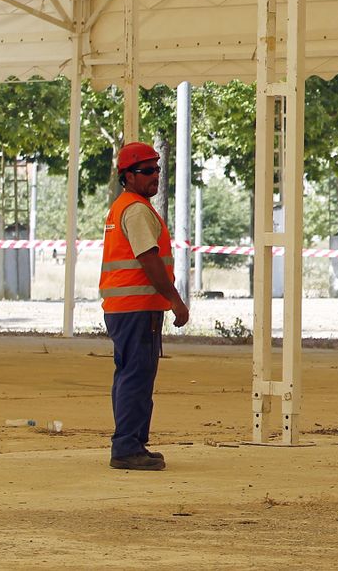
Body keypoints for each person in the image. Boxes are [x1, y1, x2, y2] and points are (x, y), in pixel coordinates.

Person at [100, 141, 189, 471]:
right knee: (136, 376)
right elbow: (148, 259)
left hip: (125, 307)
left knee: (130, 374)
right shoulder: (136, 210)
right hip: (136, 307)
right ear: (128, 176)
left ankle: (132, 443)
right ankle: (126, 447)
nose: (155, 176)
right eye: (147, 170)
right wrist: (175, 300)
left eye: (157, 169)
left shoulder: (124, 206)